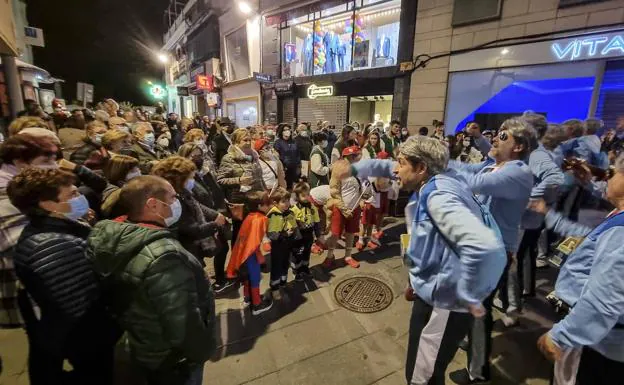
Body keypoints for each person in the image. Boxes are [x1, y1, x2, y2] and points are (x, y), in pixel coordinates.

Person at [334, 135, 506, 385]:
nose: (395, 169)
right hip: (434, 293)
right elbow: (388, 167)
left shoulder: (440, 198)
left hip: (445, 302)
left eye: (401, 163)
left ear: (422, 167)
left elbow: (485, 249)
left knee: (421, 376)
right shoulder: (441, 177)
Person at [87, 175, 216, 385]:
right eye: (173, 198)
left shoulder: (113, 233)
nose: (177, 203)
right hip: (173, 358)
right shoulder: (164, 256)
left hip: (145, 343)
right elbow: (183, 323)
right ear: (153, 204)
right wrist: (202, 351)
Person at [8, 168, 119, 385]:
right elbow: (85, 311)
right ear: (47, 204)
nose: (81, 198)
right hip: (89, 344)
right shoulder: (54, 245)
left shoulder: (59, 230)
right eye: (73, 195)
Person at [448, 119, 536, 384]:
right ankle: (470, 341)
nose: (495, 139)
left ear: (519, 146)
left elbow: (473, 182)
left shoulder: (518, 173)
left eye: (503, 136)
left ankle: (478, 372)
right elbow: (471, 166)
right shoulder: (495, 164)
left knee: (478, 311)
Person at [531, 153, 624, 385]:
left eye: (613, 174)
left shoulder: (620, 232)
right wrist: (591, 184)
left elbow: (605, 299)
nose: (608, 179)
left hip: (600, 345)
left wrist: (561, 337)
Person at [0, 134, 107, 328]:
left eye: (54, 158)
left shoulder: (39, 191)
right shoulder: (7, 202)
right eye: (46, 160)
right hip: (32, 308)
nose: (55, 165)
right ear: (20, 163)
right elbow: (38, 260)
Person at [517, 117, 566, 298]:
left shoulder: (537, 156)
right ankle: (526, 288)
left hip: (527, 213)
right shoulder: (539, 153)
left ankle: (518, 294)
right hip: (534, 213)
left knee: (518, 255)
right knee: (528, 251)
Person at [152, 156, 226, 267]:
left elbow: (196, 204)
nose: (193, 181)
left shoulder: (182, 191)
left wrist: (215, 214)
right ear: (179, 179)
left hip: (193, 248)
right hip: (186, 251)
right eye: (190, 178)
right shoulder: (172, 201)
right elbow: (192, 230)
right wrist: (215, 224)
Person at [226, 191, 273, 315]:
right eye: (267, 203)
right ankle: (257, 304)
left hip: (242, 254)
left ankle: (247, 298)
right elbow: (259, 239)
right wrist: (266, 244)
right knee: (255, 278)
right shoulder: (261, 219)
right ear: (259, 206)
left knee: (247, 277)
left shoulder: (249, 216)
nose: (269, 206)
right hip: (250, 254)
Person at [217, 128, 265, 245]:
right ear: (236, 142)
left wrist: (264, 192)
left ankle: (252, 257)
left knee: (254, 232)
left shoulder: (254, 156)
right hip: (240, 201)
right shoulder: (229, 158)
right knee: (240, 234)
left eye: (249, 139)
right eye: (245, 140)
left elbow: (259, 176)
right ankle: (238, 260)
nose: (248, 143)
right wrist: (239, 180)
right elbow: (221, 179)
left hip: (255, 199)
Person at [324, 146, 366, 270]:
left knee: (351, 232)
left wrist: (363, 199)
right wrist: (343, 209)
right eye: (354, 156)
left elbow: (361, 187)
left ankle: (348, 256)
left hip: (355, 207)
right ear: (346, 157)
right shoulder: (338, 169)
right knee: (335, 233)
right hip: (340, 207)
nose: (356, 158)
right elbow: (334, 191)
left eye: (357, 155)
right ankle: (330, 255)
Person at [266, 187, 298, 296]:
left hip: (287, 244)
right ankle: (275, 287)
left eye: (288, 201)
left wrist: (294, 235)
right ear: (275, 203)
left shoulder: (289, 212)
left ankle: (283, 282)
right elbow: (273, 234)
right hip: (278, 246)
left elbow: (293, 225)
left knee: (285, 264)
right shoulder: (275, 215)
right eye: (283, 202)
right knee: (277, 266)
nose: (287, 204)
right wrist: (284, 234)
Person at [290, 181, 320, 280]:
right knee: (297, 254)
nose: (307, 197)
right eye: (303, 195)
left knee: (306, 252)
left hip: (308, 234)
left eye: (308, 194)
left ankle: (305, 268)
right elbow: (291, 224)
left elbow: (316, 221)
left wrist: (318, 234)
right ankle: (297, 271)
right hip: (298, 236)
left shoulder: (312, 207)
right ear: (297, 197)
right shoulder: (293, 209)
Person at [274, 124, 301, 189]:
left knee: (294, 188)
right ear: (281, 132)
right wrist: (282, 166)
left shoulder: (294, 142)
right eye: (285, 130)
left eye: (288, 129)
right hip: (284, 169)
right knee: (285, 188)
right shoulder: (278, 143)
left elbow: (298, 154)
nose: (287, 131)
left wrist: (299, 165)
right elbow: (276, 156)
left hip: (294, 168)